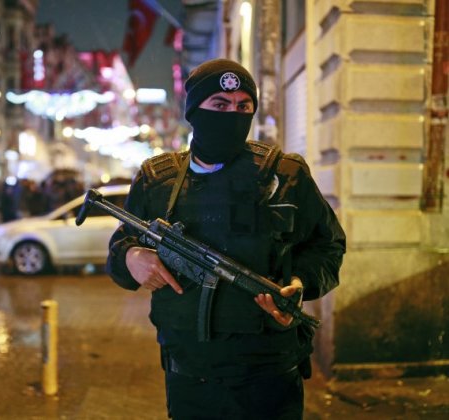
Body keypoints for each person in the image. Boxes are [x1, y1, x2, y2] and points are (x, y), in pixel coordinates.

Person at [106, 58, 346, 419]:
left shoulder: (286, 174)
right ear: (194, 111)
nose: (233, 114)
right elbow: (121, 246)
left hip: (271, 375)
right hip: (190, 379)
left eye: (243, 106)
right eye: (220, 105)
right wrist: (131, 258)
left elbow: (328, 245)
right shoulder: (158, 180)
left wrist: (301, 282)